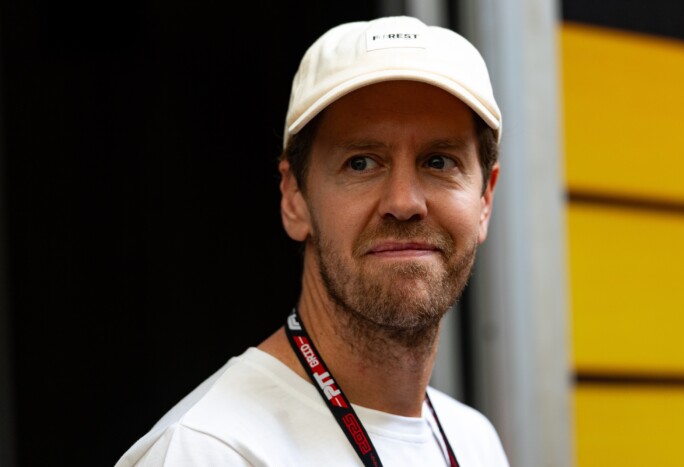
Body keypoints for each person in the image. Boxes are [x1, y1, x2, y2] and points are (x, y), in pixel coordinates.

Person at [116, 15, 509, 466]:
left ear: (485, 199)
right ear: (294, 199)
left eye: (439, 161)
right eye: (362, 163)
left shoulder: (475, 442)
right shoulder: (208, 449)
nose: (404, 202)